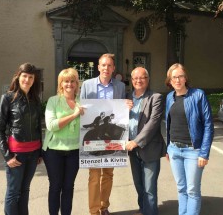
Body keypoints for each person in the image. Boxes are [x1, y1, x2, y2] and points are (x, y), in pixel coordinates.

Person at [80, 53, 127, 215]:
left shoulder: (120, 86)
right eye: (103, 65)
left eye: (109, 65)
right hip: (95, 135)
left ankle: (104, 206)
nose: (106, 68)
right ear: (98, 67)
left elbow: (121, 110)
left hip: (110, 135)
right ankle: (94, 210)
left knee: (108, 173)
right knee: (94, 175)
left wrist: (127, 105)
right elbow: (82, 109)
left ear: (113, 68)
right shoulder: (87, 85)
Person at [165, 63, 214, 215]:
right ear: (170, 80)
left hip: (193, 151)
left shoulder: (198, 95)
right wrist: (168, 148)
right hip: (174, 149)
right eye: (174, 77)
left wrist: (204, 153)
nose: (178, 80)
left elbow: (208, 125)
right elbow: (169, 124)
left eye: (180, 76)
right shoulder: (169, 97)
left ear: (186, 78)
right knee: (181, 188)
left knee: (192, 190)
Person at [0, 63, 42, 215]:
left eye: (31, 77)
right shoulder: (8, 98)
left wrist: (40, 151)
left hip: (33, 152)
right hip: (16, 153)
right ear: (18, 77)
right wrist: (7, 155)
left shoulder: (36, 100)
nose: (27, 80)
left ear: (34, 80)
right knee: (14, 191)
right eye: (25, 76)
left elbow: (37, 127)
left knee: (25, 189)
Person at [42, 68, 84, 215]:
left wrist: (124, 106)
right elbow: (52, 125)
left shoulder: (82, 102)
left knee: (68, 187)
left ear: (76, 84)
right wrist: (74, 115)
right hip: (54, 151)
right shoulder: (53, 101)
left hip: (74, 152)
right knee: (55, 186)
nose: (69, 84)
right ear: (61, 84)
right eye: (66, 81)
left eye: (73, 81)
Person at [126, 67, 166, 215]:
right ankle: (143, 209)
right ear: (131, 80)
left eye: (142, 77)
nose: (138, 80)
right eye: (135, 78)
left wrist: (136, 142)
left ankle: (150, 212)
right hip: (132, 150)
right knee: (138, 184)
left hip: (149, 148)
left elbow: (153, 123)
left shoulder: (156, 97)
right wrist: (124, 110)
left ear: (148, 80)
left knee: (149, 187)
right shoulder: (127, 97)